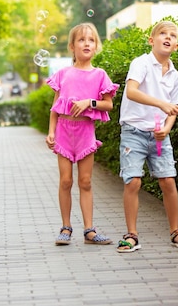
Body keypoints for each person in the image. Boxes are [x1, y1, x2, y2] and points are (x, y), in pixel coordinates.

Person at [116, 20, 178, 253]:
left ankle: (176, 231)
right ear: (152, 40)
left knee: (168, 180)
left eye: (172, 35)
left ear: (176, 46)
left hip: (159, 136)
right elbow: (131, 91)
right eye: (163, 34)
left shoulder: (174, 75)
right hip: (134, 133)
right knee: (133, 181)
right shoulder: (141, 63)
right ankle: (131, 235)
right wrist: (162, 103)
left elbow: (175, 108)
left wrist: (168, 127)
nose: (168, 37)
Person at [45, 22, 119, 246]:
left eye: (91, 40)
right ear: (72, 46)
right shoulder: (63, 74)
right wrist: (51, 133)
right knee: (66, 180)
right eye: (81, 40)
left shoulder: (100, 75)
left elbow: (108, 105)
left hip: (86, 131)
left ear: (96, 46)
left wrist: (90, 102)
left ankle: (89, 230)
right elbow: (55, 106)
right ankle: (66, 228)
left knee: (85, 181)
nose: (87, 43)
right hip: (64, 132)